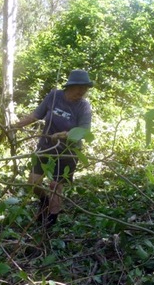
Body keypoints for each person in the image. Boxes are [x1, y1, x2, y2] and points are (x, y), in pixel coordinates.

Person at [11, 69, 93, 228]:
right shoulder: (54, 96)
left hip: (67, 152)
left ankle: (50, 223)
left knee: (55, 186)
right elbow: (36, 115)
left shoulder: (84, 107)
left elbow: (84, 131)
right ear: (70, 86)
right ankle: (44, 202)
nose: (82, 91)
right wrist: (16, 125)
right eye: (80, 87)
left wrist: (64, 135)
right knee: (33, 183)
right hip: (45, 147)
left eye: (85, 88)